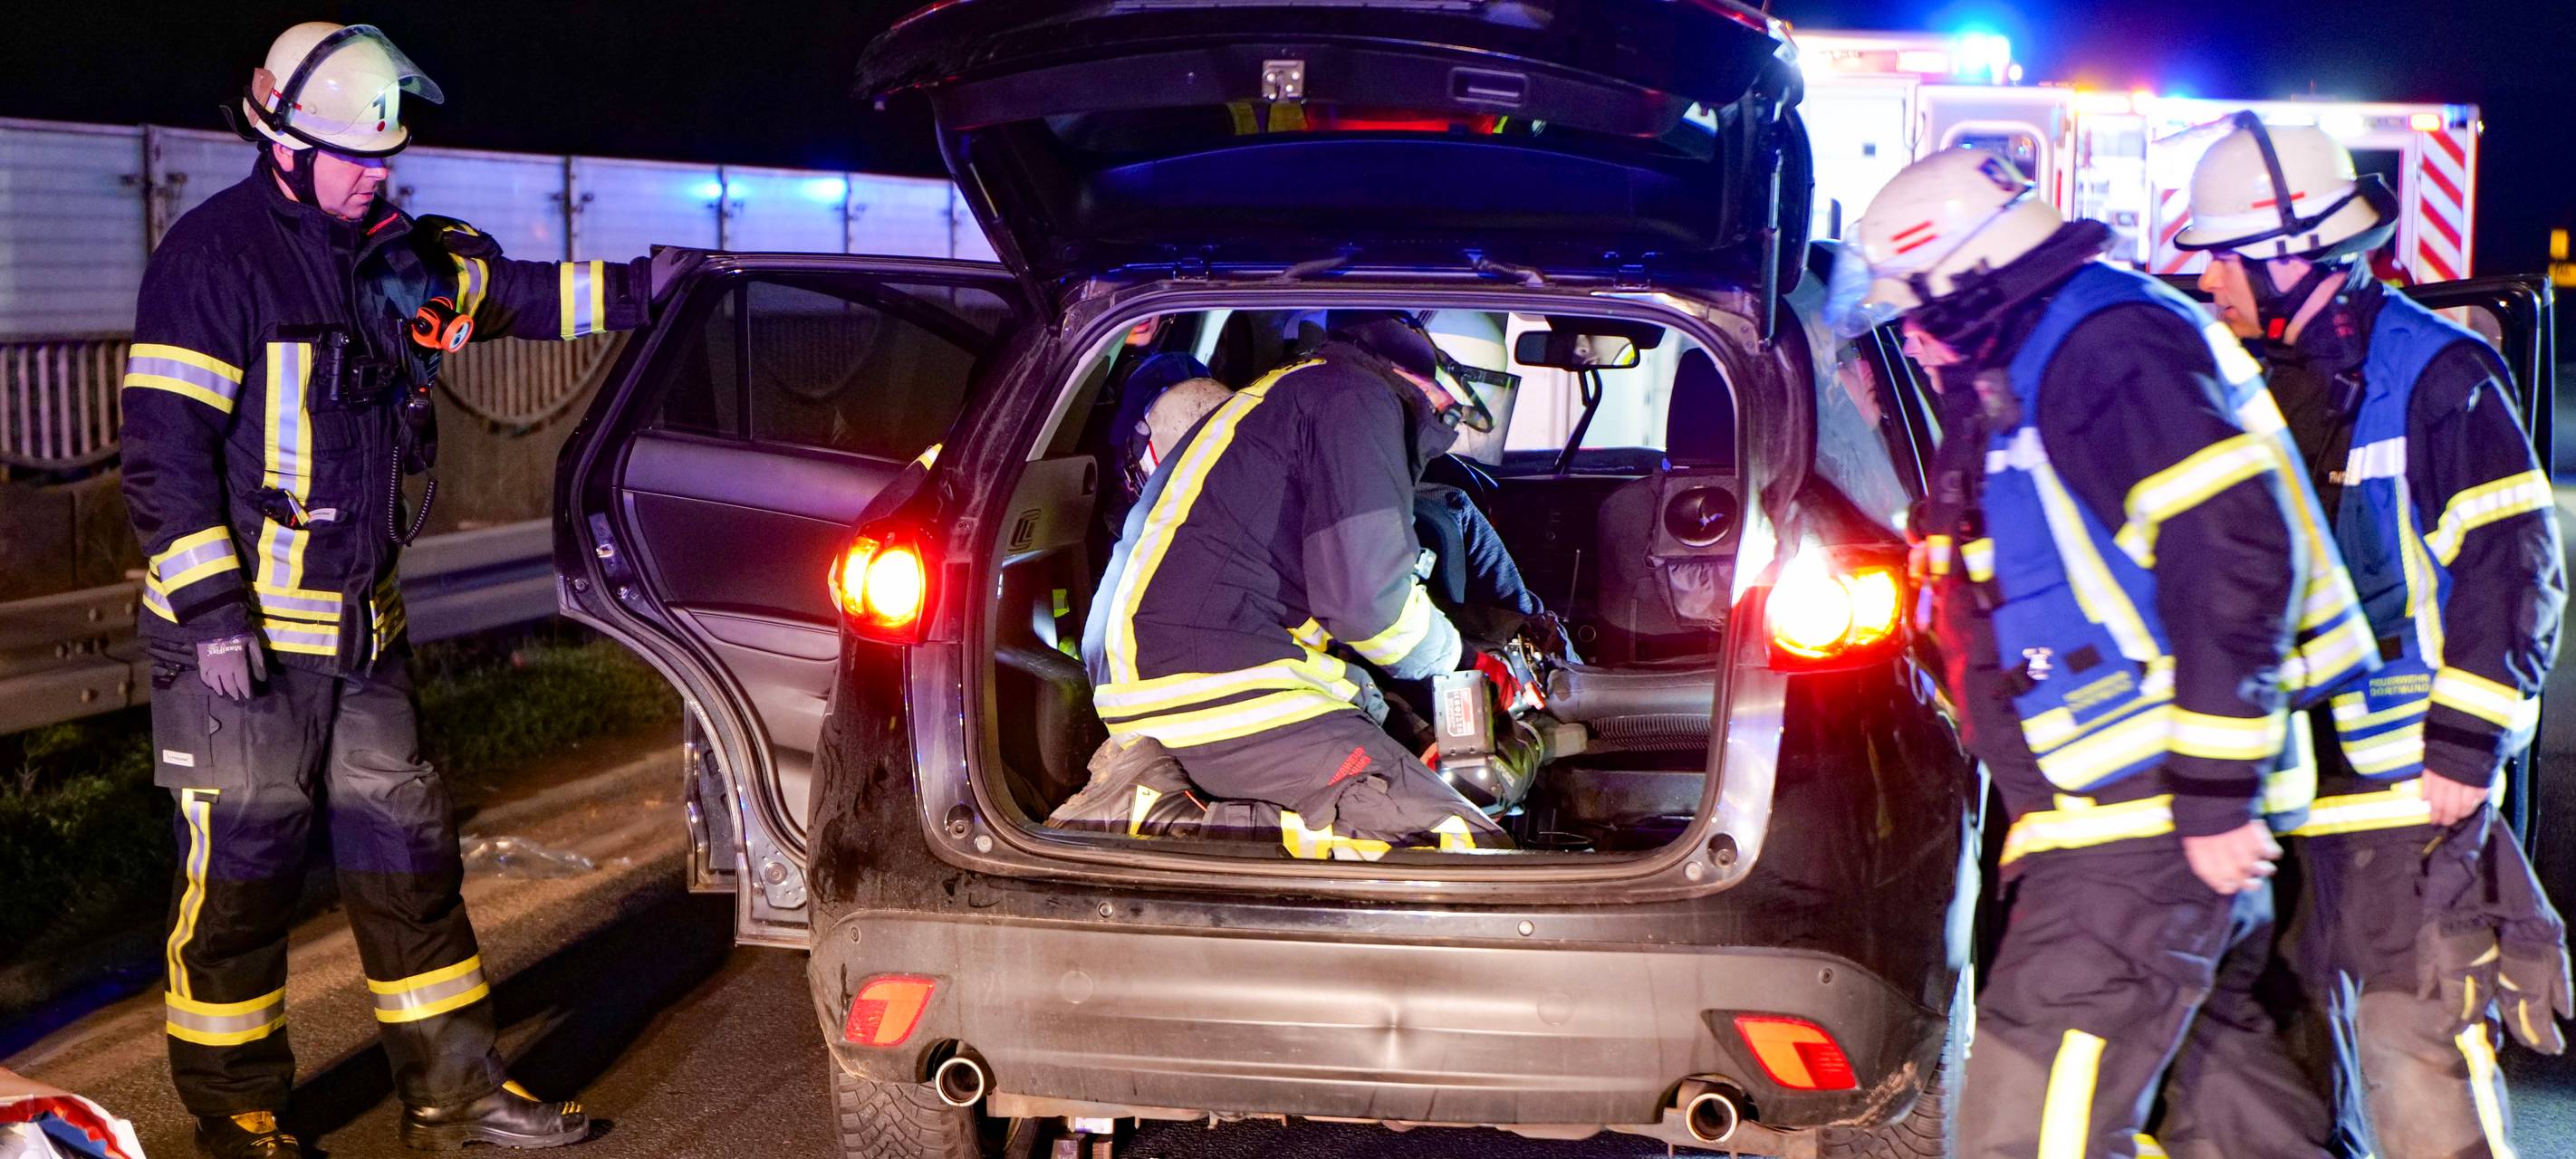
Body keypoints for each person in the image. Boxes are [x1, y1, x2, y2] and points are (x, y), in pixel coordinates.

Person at [121, 23, 651, 1158]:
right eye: (361, 157)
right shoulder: (214, 260)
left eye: (387, 156)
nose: (383, 172)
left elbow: (513, 293)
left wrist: (651, 287)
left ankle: (453, 1099)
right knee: (241, 889)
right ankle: (240, 1121)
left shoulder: (392, 253)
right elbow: (163, 454)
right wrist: (212, 611)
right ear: (285, 147)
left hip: (363, 635)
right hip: (244, 649)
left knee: (411, 870)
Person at [1837, 147, 2366, 1158]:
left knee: (2030, 1131)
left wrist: (2211, 794)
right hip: (2121, 821)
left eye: (1915, 309)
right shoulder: (2039, 358)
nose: (1908, 336)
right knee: (2242, 1121)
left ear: (1968, 279)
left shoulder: (2107, 349)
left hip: (2149, 820)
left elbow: (2234, 550)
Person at [2178, 112, 2571, 1159]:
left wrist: (2462, 746)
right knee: (2293, 1063)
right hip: (2288, 788)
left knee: (2416, 1054)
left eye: (2221, 258)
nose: (2209, 282)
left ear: (2285, 252)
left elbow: (2515, 567)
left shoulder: (2440, 379)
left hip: (2407, 792)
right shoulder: (2239, 384)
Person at [1073, 316, 1516, 859]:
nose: (1459, 414)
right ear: (1430, 364)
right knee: (1455, 849)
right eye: (1473, 387)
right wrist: (1461, 661)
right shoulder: (1354, 398)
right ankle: (1166, 818)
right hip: (1208, 682)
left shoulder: (1313, 389)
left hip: (1194, 667)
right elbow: (1365, 606)